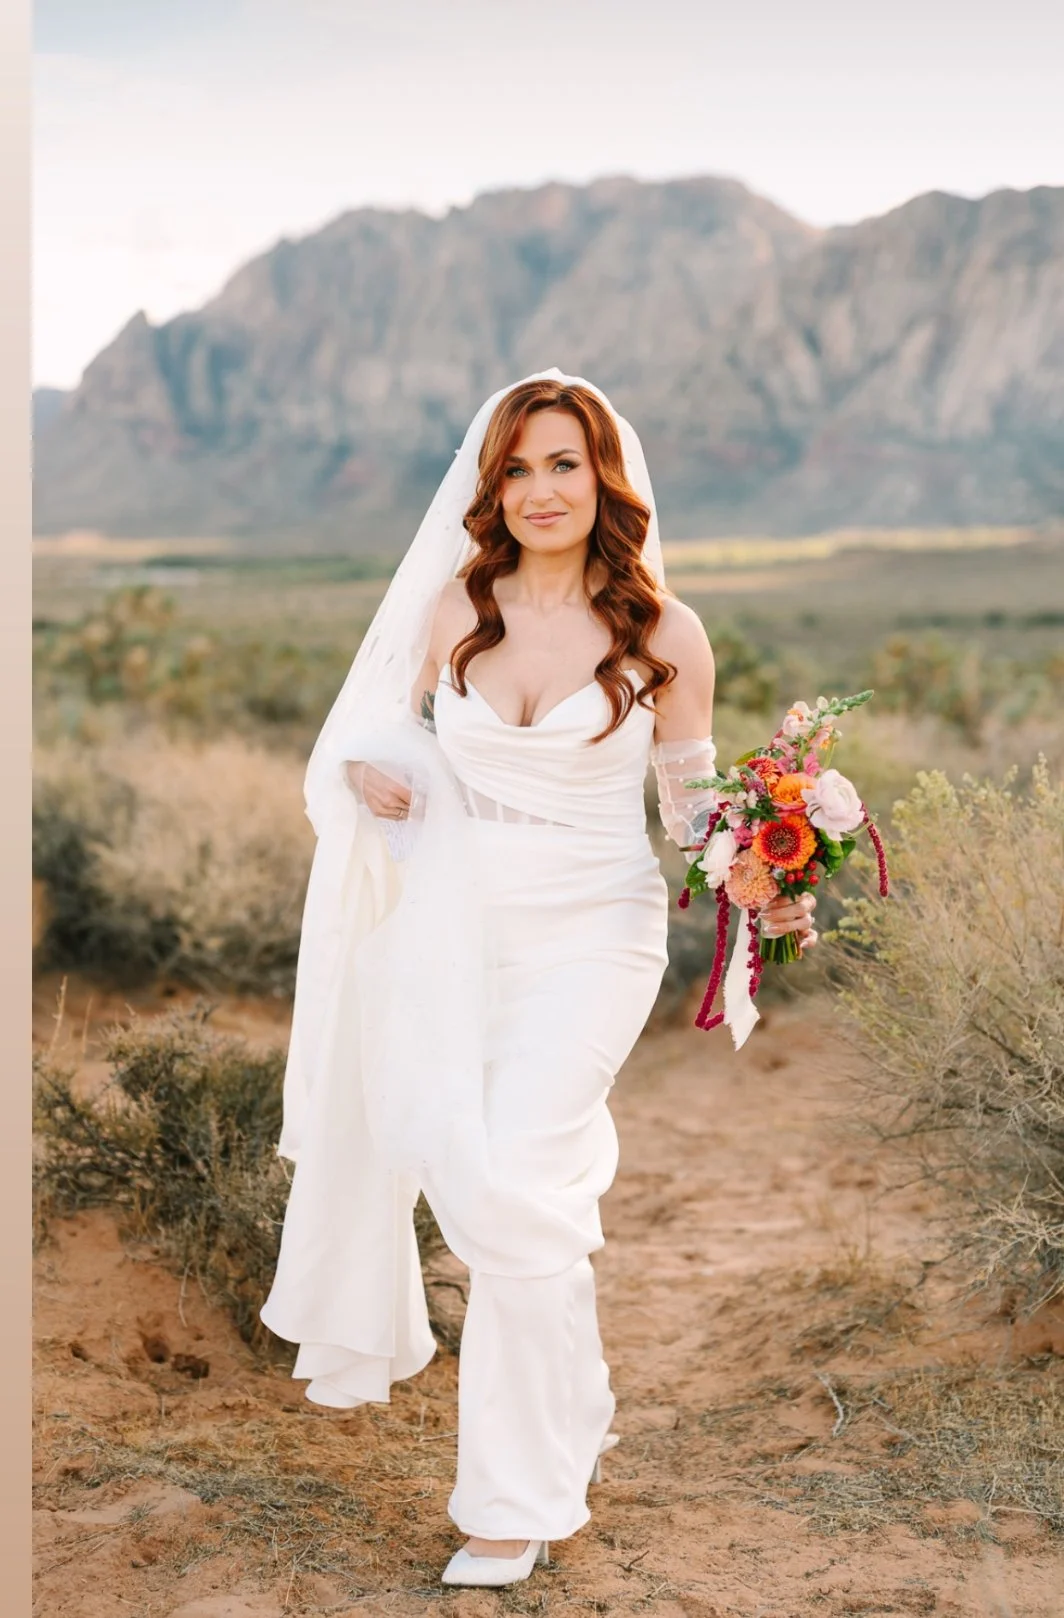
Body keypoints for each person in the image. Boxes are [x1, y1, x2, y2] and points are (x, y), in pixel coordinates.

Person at [259, 369, 817, 1589]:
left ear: (602, 476)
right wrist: (372, 774)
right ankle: (573, 1393)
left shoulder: (664, 632)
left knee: (509, 1166)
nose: (539, 489)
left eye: (563, 463)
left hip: (591, 933)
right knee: (472, 1173)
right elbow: (381, 734)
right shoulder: (453, 611)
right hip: (452, 923)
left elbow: (683, 807)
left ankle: (509, 1502)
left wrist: (764, 845)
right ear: (488, 484)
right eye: (515, 467)